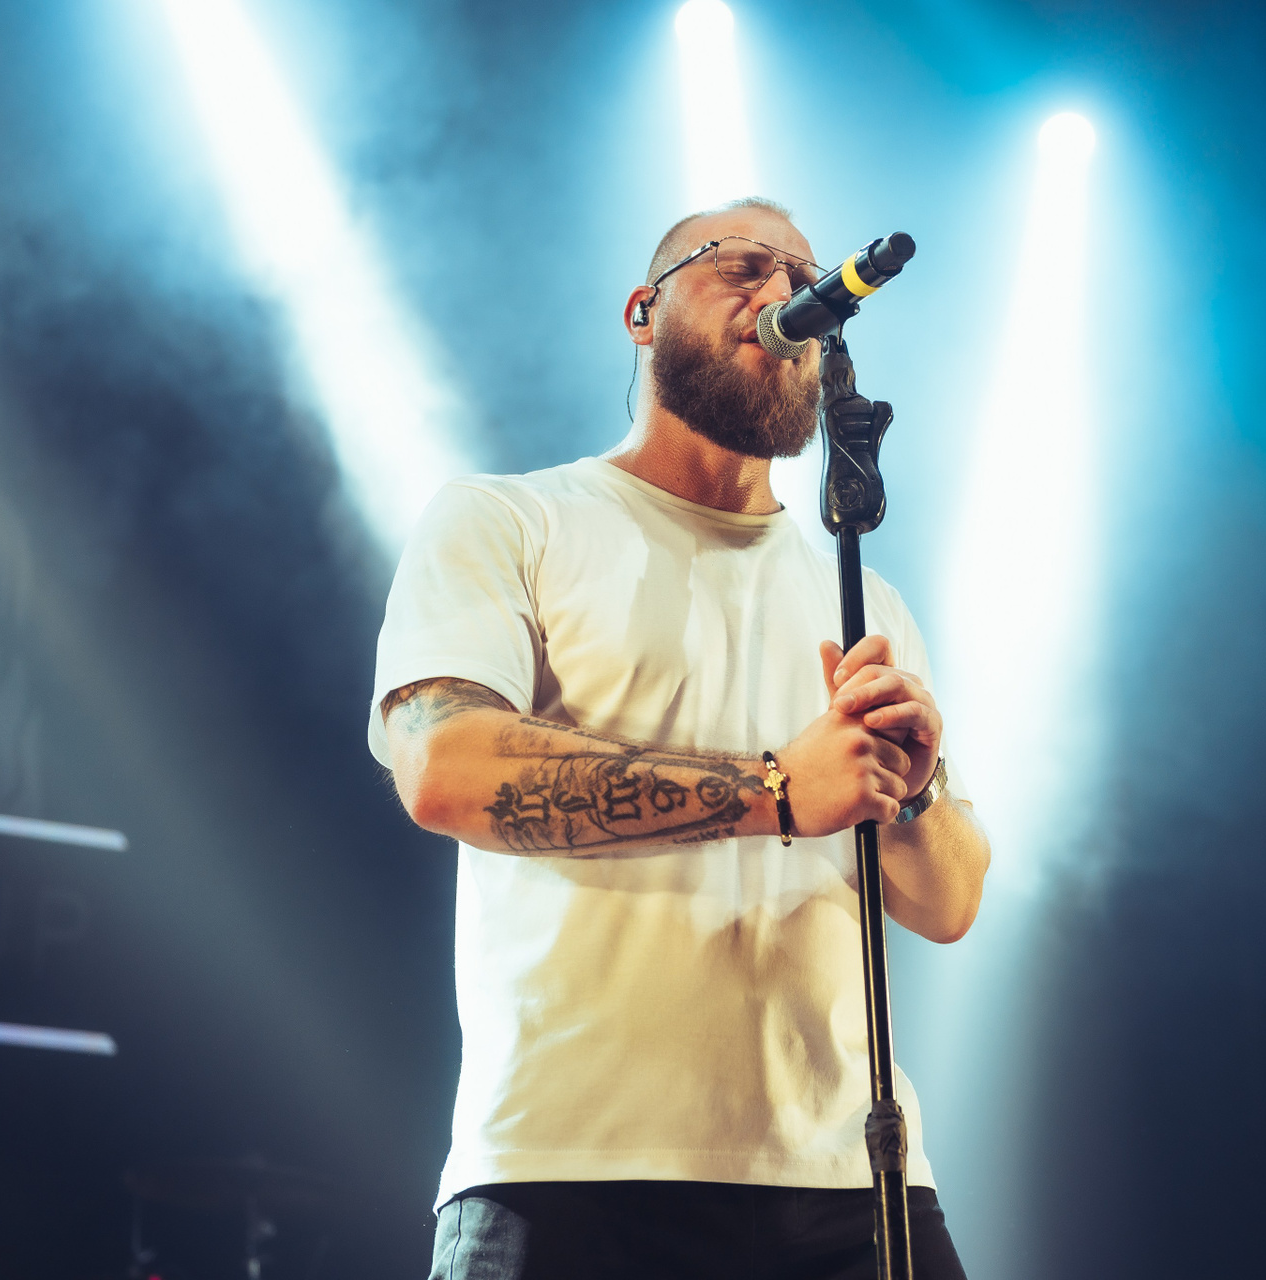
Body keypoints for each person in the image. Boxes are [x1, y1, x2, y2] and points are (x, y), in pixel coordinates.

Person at [369, 196, 990, 1280]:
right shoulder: (509, 520)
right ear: (642, 312)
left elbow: (949, 904)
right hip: (572, 1169)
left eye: (800, 274)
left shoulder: (867, 598)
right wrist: (776, 789)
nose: (783, 290)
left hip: (856, 1185)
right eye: (741, 265)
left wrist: (916, 790)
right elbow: (444, 768)